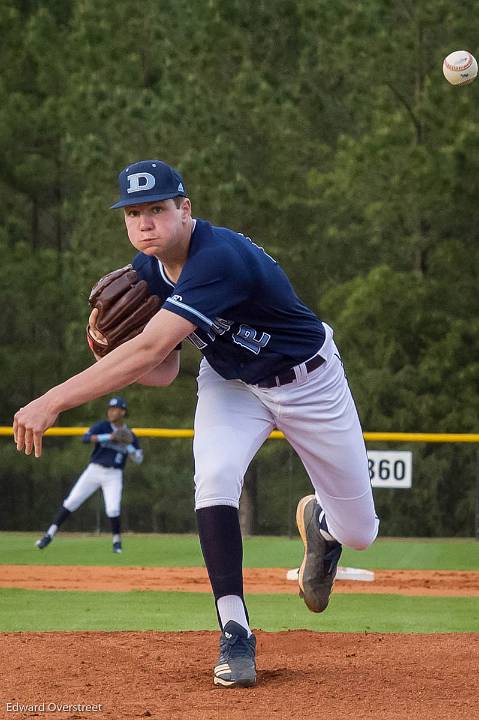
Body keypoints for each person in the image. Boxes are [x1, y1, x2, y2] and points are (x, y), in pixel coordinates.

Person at [14, 159, 379, 689]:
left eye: (157, 209)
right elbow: (164, 371)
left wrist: (54, 399)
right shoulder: (149, 270)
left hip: (309, 384)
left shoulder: (220, 259)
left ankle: (323, 528)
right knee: (214, 479)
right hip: (232, 383)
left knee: (360, 534)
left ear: (185, 210)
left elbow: (150, 351)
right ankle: (235, 632)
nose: (144, 223)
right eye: (133, 213)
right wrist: (107, 343)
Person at [35, 396, 143, 554]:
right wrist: (109, 437)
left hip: (114, 474)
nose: (111, 412)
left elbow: (139, 459)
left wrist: (129, 447)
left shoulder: (129, 434)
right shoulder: (102, 426)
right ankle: (49, 535)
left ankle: (117, 543)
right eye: (110, 409)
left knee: (113, 509)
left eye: (116, 409)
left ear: (123, 412)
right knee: (71, 502)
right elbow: (85, 438)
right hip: (94, 470)